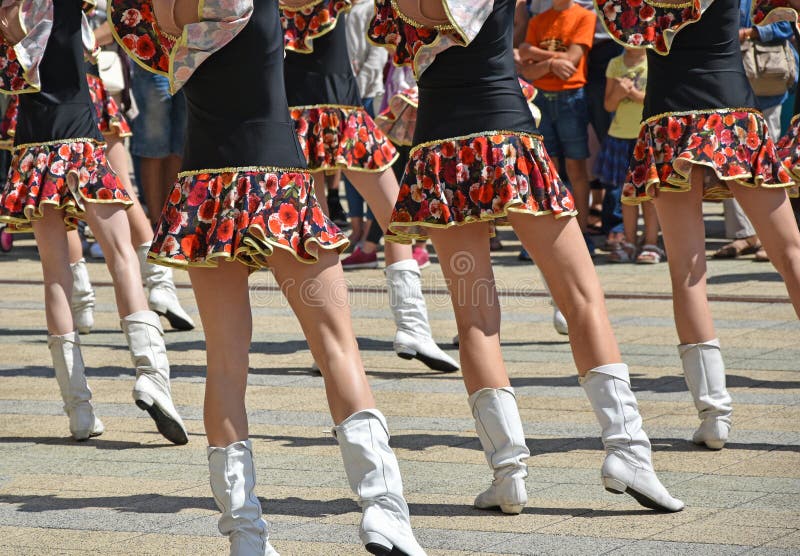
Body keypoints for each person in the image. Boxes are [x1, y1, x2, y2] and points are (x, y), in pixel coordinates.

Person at [110, 1, 425, 554]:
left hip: (206, 191)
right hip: (278, 184)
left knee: (225, 366)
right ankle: (382, 510)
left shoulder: (148, 8)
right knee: (337, 350)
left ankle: (245, 533)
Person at [370, 0, 684, 513]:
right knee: (582, 297)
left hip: (441, 152)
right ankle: (628, 452)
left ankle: (508, 471)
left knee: (475, 319)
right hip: (508, 139)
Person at [598, 0, 800, 451]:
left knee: (687, 273)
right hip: (732, 111)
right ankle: (713, 415)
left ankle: (714, 416)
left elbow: (623, 32)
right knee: (791, 254)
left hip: (666, 116)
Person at [0, 0, 188, 445]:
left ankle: (79, 410)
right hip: (80, 144)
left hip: (31, 149)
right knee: (122, 258)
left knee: (54, 276)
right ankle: (151, 376)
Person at [280, 0, 458, 373]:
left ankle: (395, 330)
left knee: (377, 220)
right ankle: (346, 339)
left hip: (317, 115)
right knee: (346, 229)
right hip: (317, 115)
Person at [518, 0, 597, 253]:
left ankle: (582, 233)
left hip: (571, 98)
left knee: (576, 167)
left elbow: (572, 60)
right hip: (540, 97)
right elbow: (527, 69)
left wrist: (536, 56)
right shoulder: (537, 20)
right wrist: (553, 63)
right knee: (546, 168)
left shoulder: (584, 16)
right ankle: (550, 238)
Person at [597, 47, 663, 264]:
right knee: (626, 195)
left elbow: (657, 99)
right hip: (619, 135)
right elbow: (608, 104)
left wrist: (632, 93)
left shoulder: (654, 61)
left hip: (646, 135)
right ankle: (630, 241)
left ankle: (651, 242)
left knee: (650, 193)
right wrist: (619, 92)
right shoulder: (615, 63)